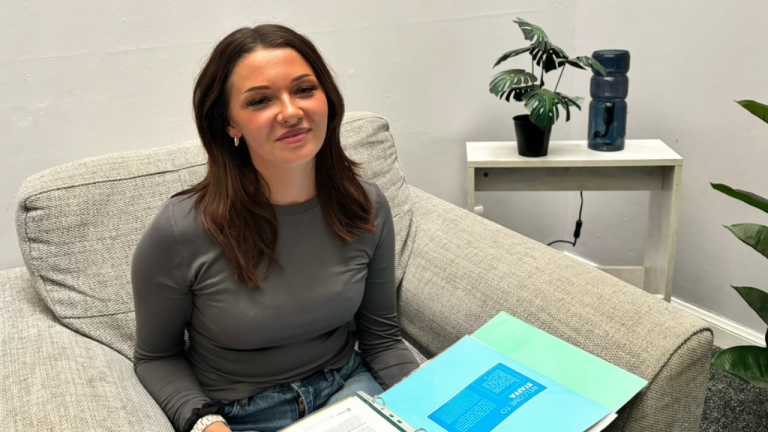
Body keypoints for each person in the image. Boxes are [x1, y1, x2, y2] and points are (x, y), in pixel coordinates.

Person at [131, 23, 420, 432]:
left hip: (349, 392)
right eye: (260, 100)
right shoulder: (180, 229)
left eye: (304, 89)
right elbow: (156, 358)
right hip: (239, 415)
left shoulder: (366, 206)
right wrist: (208, 425)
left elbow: (383, 340)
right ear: (229, 123)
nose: (291, 111)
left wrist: (428, 404)